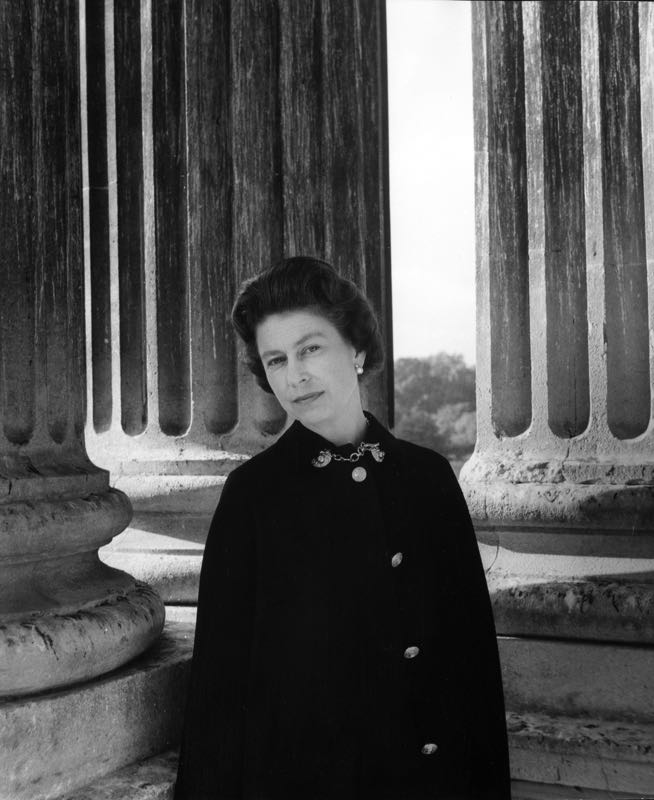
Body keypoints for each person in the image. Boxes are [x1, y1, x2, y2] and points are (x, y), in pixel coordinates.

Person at [174, 256, 510, 800]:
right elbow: (219, 689)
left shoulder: (428, 478)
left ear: (355, 349)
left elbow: (473, 663)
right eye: (277, 359)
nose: (295, 374)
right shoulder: (252, 497)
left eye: (311, 348)